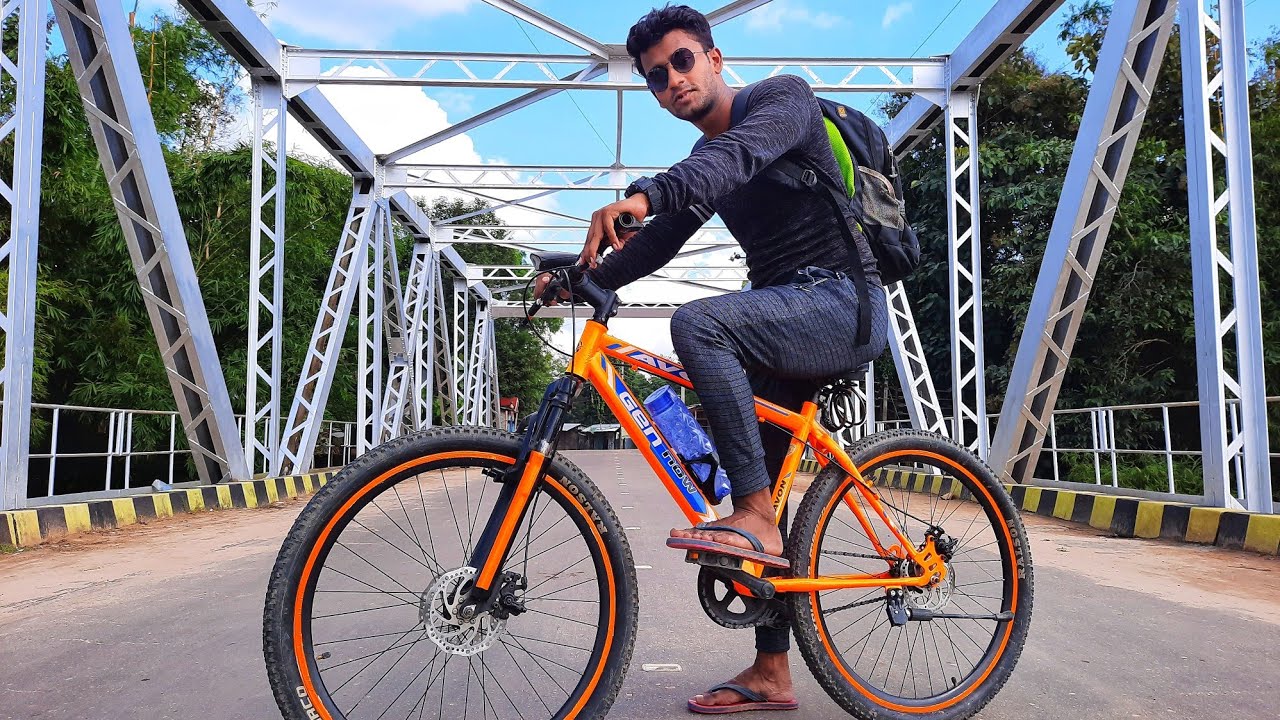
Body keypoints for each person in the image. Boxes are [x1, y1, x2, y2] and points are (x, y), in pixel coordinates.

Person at [536, 4, 890, 714]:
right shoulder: (706, 162)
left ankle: (754, 512)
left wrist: (644, 195)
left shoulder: (782, 102)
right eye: (655, 76)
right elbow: (658, 241)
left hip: (840, 302)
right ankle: (772, 672)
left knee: (699, 325)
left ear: (715, 59)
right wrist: (581, 278)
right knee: (760, 492)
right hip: (784, 317)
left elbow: (733, 159)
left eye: (682, 61)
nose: (672, 80)